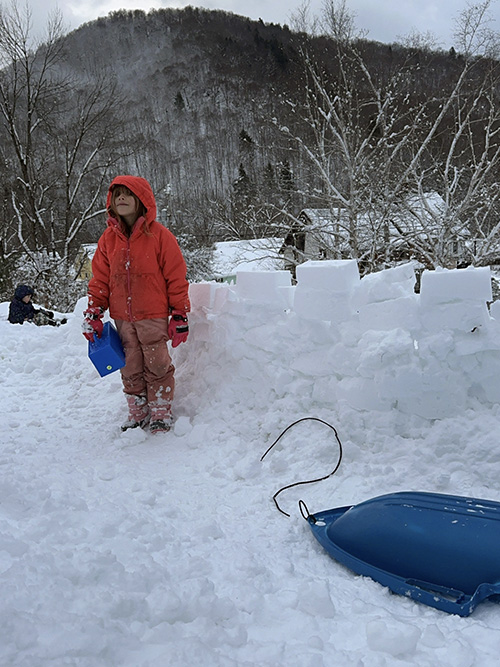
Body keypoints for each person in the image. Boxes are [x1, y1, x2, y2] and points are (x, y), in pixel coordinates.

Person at [82, 175, 190, 434]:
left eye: (127, 194)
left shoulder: (160, 236)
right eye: (117, 194)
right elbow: (100, 279)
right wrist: (94, 310)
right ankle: (137, 409)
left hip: (152, 314)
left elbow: (176, 276)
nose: (121, 198)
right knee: (129, 363)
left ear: (141, 200)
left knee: (157, 362)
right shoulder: (108, 239)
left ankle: (161, 410)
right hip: (122, 317)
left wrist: (179, 314)